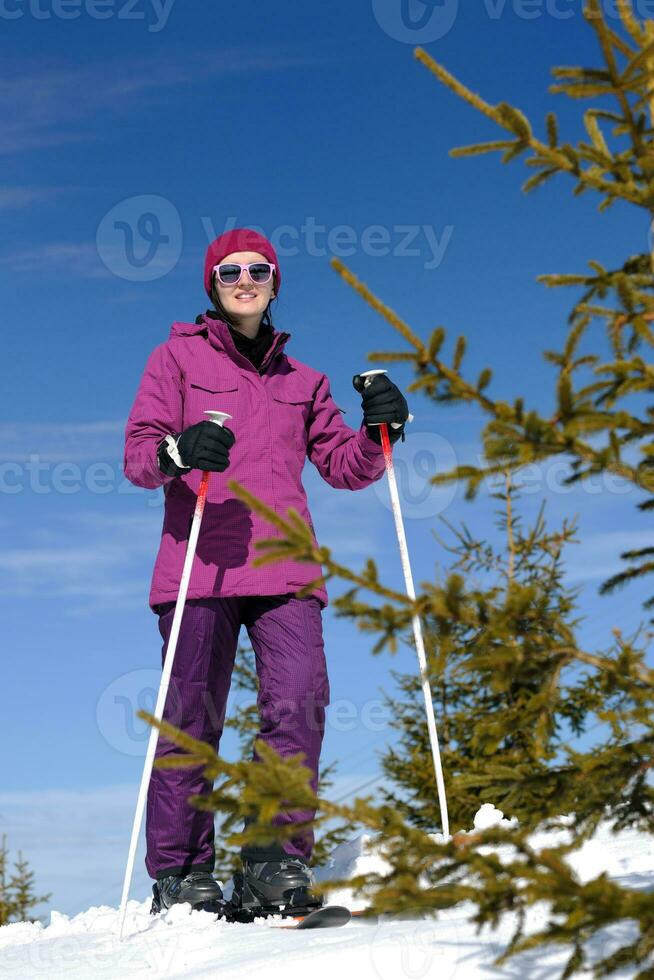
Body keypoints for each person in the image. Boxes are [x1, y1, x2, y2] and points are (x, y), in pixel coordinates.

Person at [123, 228, 410, 913]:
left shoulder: (302, 381)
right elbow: (139, 457)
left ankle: (270, 858)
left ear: (275, 283)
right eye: (230, 272)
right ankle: (182, 872)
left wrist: (382, 432)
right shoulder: (176, 359)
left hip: (285, 569)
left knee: (300, 699)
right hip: (200, 565)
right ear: (213, 285)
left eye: (258, 270)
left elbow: (345, 466)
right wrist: (179, 448)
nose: (245, 279)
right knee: (192, 717)